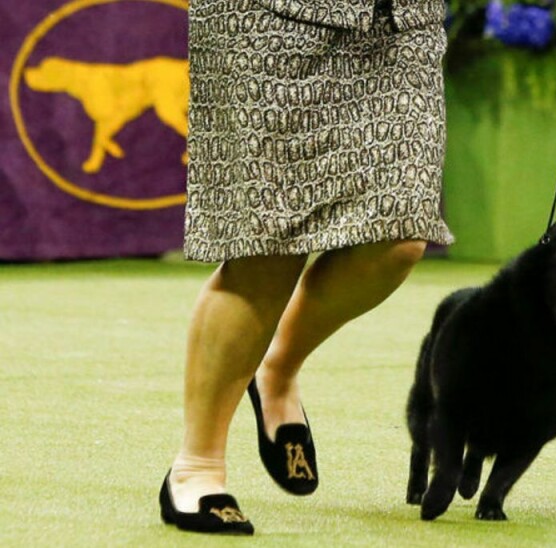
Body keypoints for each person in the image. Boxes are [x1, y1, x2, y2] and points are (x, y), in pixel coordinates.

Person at [158, 0, 452, 535]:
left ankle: (276, 366)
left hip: (399, 24)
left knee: (399, 236)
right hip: (268, 20)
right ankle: (197, 467)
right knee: (265, 250)